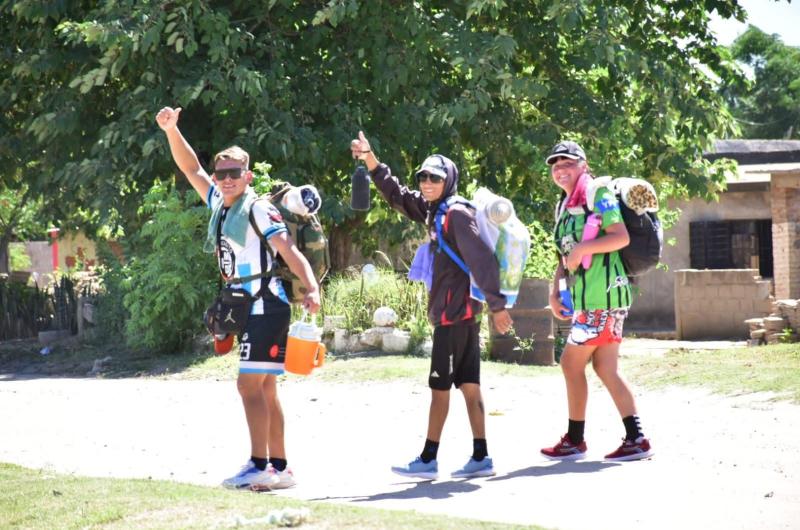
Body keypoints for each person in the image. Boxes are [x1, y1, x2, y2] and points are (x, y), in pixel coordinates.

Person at [156, 106, 321, 490]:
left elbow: (288, 250)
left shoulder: (258, 208)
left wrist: (310, 285)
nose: (226, 180)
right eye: (222, 174)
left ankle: (260, 464)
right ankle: (280, 468)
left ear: (247, 176)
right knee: (264, 387)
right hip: (248, 308)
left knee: (248, 386)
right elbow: (191, 169)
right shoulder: (219, 202)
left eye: (234, 173)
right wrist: (172, 130)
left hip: (267, 304)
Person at [350, 131, 513, 479]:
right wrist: (370, 160)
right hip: (460, 313)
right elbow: (398, 196)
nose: (426, 183)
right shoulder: (435, 210)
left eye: (434, 178)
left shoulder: (455, 214)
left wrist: (498, 306)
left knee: (440, 389)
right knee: (469, 385)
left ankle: (428, 459)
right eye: (423, 177)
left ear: (448, 181)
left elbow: (482, 260)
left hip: (454, 314)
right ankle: (481, 457)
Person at [542, 140, 653, 462]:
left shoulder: (598, 193)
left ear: (583, 164)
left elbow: (620, 236)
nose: (561, 170)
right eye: (555, 165)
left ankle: (577, 440)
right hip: (586, 298)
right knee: (605, 367)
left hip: (604, 296)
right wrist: (554, 290)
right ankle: (635, 438)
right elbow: (564, 255)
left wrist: (582, 250)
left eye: (568, 163)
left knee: (570, 363)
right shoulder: (564, 204)